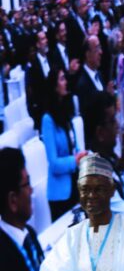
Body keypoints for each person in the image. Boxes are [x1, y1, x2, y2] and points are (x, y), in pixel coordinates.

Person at [82, 91, 124, 223]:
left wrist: (122, 167)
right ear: (100, 133)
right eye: (112, 121)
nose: (117, 125)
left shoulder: (108, 161)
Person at [42, 68, 85, 221]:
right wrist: (75, 160)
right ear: (54, 87)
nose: (66, 82)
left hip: (76, 184)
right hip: (60, 195)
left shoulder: (66, 114)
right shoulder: (48, 120)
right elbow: (53, 163)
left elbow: (74, 146)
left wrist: (82, 155)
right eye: (61, 79)